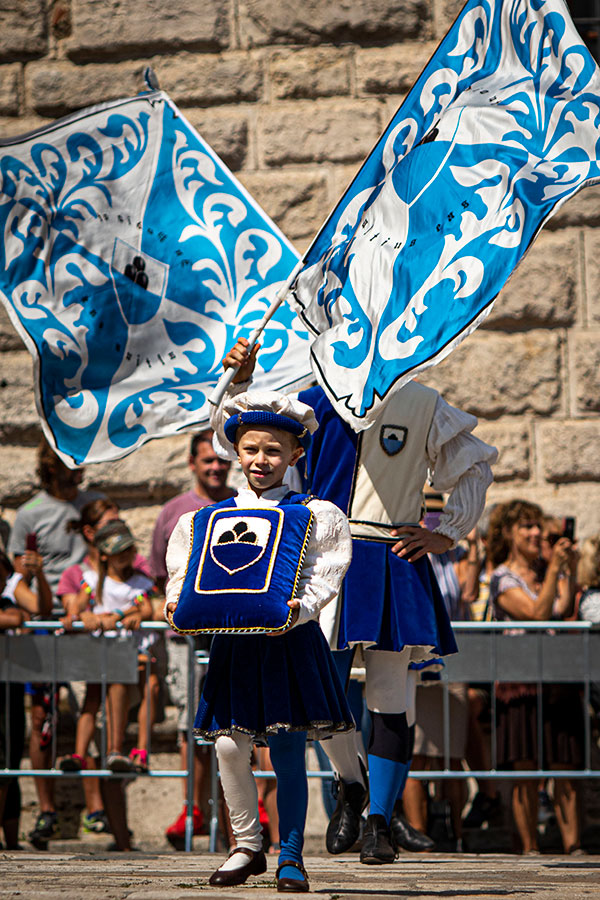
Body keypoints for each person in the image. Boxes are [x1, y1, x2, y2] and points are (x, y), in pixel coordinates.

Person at [219, 337, 497, 863]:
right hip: (324, 555)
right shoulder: (316, 400)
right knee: (321, 696)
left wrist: (448, 531)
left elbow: (476, 465)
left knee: (391, 699)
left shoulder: (421, 402)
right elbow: (242, 438)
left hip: (392, 557)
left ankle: (378, 822)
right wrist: (241, 381)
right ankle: (352, 782)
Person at [165, 389, 355, 891]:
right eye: (250, 449)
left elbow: (323, 573)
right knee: (228, 744)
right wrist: (174, 601)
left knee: (289, 749)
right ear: (235, 452)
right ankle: (247, 846)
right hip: (234, 643)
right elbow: (187, 572)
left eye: (273, 450)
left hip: (290, 642)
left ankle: (290, 855)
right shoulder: (204, 520)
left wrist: (303, 606)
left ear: (294, 455)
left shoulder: (316, 514)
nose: (260, 460)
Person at [7, 438, 104, 849]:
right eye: (69, 470)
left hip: (84, 618)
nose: (77, 476)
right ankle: (46, 808)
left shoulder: (94, 504)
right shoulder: (28, 514)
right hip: (44, 620)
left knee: (92, 709)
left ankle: (96, 808)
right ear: (51, 469)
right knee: (41, 717)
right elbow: (16, 572)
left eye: (81, 469)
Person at [149, 429, 235, 848]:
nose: (216, 467)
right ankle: (194, 806)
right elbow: (158, 577)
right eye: (208, 460)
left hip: (237, 635)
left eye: (222, 460)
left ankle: (235, 819)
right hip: (187, 639)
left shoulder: (246, 505)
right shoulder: (173, 512)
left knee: (235, 726)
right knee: (191, 724)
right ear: (193, 463)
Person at [488, 499, 582, 854]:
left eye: (537, 526)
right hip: (520, 679)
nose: (535, 533)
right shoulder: (502, 577)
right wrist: (556, 568)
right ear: (510, 533)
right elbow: (537, 614)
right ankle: (530, 847)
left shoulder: (546, 571)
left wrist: (566, 570)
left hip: (555, 676)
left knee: (566, 763)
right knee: (524, 766)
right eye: (526, 526)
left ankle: (573, 845)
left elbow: (563, 607)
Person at [57, 499, 151, 832]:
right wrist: (82, 617)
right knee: (91, 703)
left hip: (126, 657)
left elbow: (145, 608)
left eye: (129, 550)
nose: (127, 557)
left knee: (118, 698)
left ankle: (118, 750)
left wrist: (124, 616)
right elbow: (78, 607)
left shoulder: (138, 583)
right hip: (98, 655)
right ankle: (81, 755)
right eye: (119, 551)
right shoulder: (88, 580)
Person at [0, 547, 52, 850]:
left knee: (8, 761)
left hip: (10, 686)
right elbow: (14, 617)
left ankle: (11, 841)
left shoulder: (12, 591)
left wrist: (40, 574)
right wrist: (10, 618)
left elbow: (41, 609)